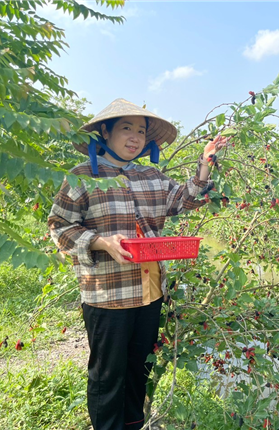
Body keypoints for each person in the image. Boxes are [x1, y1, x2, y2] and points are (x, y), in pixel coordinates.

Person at [48, 98, 227, 430]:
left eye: (141, 131)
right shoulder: (82, 176)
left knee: (138, 370)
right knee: (107, 375)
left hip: (149, 292)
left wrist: (205, 163)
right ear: (105, 131)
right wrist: (102, 242)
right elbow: (59, 227)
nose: (134, 137)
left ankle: (133, 425)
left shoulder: (151, 176)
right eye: (126, 128)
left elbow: (185, 199)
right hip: (108, 296)